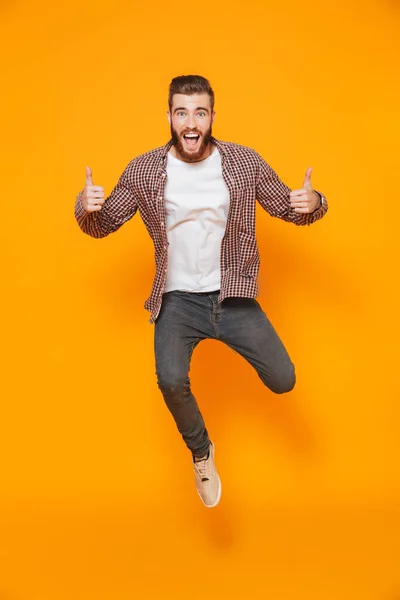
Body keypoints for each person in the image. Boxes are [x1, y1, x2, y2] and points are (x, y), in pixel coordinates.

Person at [74, 74, 328, 508]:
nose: (191, 121)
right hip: (176, 301)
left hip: (232, 296)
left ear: (212, 117)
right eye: (181, 112)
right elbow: (104, 223)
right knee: (171, 380)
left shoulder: (243, 163)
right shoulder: (144, 170)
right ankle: (201, 452)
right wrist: (86, 207)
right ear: (169, 117)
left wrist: (313, 202)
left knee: (284, 380)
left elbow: (286, 206)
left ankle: (208, 442)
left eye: (200, 112)